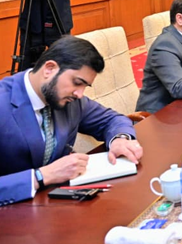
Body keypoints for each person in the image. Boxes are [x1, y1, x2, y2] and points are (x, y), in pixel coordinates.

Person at [0, 36, 143, 206]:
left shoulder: (70, 100)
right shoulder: (4, 103)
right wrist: (42, 176)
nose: (80, 94)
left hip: (57, 204)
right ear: (49, 69)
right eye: (77, 83)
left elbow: (112, 120)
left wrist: (119, 139)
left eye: (84, 86)